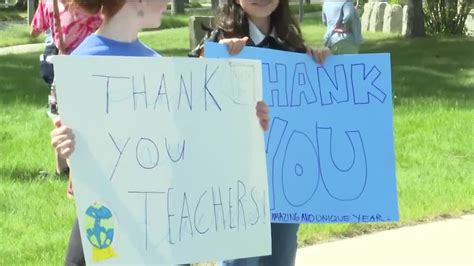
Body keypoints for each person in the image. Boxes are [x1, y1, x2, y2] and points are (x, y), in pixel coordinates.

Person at [50, 1, 270, 265]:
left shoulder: (158, 66)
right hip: (105, 230)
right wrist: (64, 146)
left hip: (160, 233)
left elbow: (196, 139)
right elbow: (72, 162)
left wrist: (246, 112)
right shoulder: (80, 66)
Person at [190, 0, 330, 265]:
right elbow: (189, 100)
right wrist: (207, 63)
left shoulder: (293, 48)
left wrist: (320, 64)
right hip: (236, 182)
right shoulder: (218, 44)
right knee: (240, 260)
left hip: (284, 183)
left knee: (281, 257)